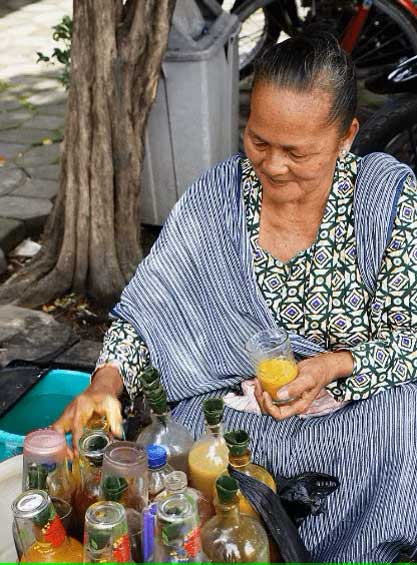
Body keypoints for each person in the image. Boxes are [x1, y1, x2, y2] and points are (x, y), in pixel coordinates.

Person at [54, 31, 417, 562]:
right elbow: (152, 308)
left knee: (405, 422)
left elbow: (410, 337)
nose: (273, 166)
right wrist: (106, 381)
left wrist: (329, 367)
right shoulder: (218, 196)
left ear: (346, 137)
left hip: (353, 425)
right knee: (175, 448)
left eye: (298, 152)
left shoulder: (386, 200)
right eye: (259, 141)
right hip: (232, 418)